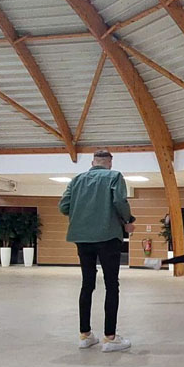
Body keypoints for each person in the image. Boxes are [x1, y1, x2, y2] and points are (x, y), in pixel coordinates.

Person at [59, 150, 136, 352]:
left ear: (93, 163)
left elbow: (64, 206)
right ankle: (110, 338)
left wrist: (82, 212)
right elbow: (119, 202)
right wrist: (128, 220)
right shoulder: (114, 176)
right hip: (108, 236)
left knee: (87, 284)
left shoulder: (77, 179)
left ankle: (85, 335)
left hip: (82, 237)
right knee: (111, 285)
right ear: (110, 163)